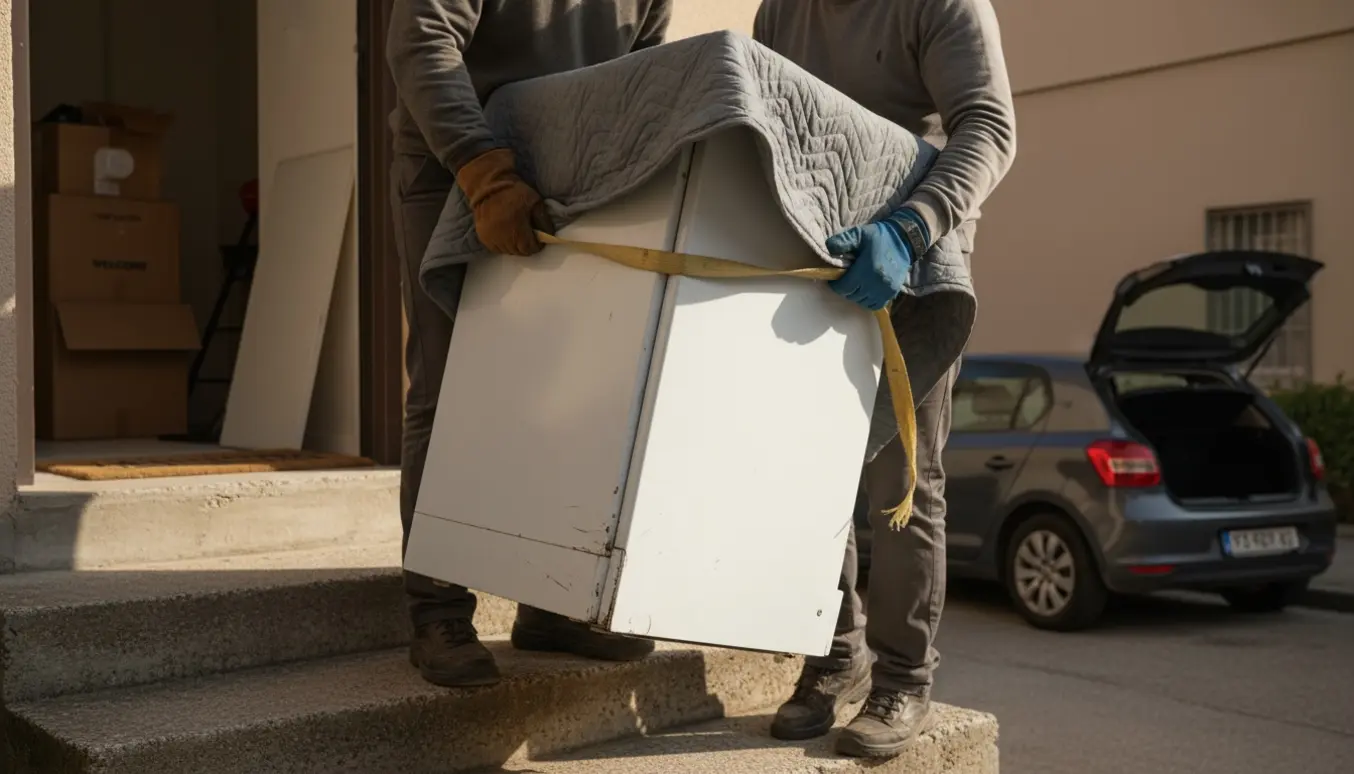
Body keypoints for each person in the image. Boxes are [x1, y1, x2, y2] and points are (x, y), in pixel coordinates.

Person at [753, 0, 1017, 759]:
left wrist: (909, 228)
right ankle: (835, 653)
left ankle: (904, 677)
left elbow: (989, 128)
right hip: (811, 258)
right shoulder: (782, 10)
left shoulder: (942, 6)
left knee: (903, 479)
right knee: (808, 474)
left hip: (915, 265)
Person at [386, 0, 673, 689]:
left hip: (571, 177)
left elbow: (644, 71)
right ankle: (438, 612)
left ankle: (551, 604)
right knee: (449, 391)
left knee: (564, 394)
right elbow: (420, 38)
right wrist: (485, 175)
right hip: (452, 166)